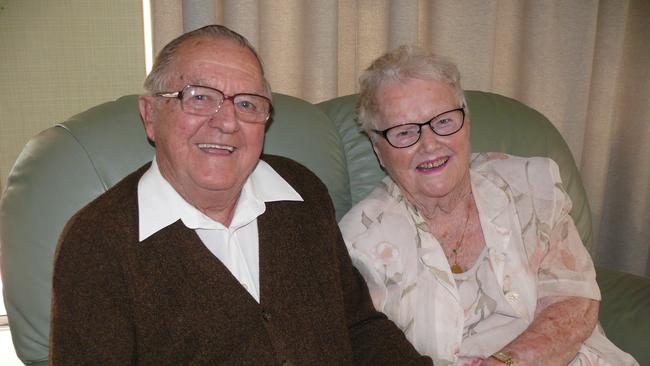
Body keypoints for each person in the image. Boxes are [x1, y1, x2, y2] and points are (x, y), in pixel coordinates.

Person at [49, 25, 432, 365]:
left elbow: (359, 327)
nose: (227, 121)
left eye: (247, 103)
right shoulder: (97, 243)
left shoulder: (302, 193)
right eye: (199, 97)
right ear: (151, 114)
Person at [339, 45, 638, 366]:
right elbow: (364, 346)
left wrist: (509, 361)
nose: (429, 144)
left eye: (442, 121)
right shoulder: (359, 243)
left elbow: (575, 303)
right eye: (404, 132)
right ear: (377, 149)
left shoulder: (529, 185)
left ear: (466, 122)